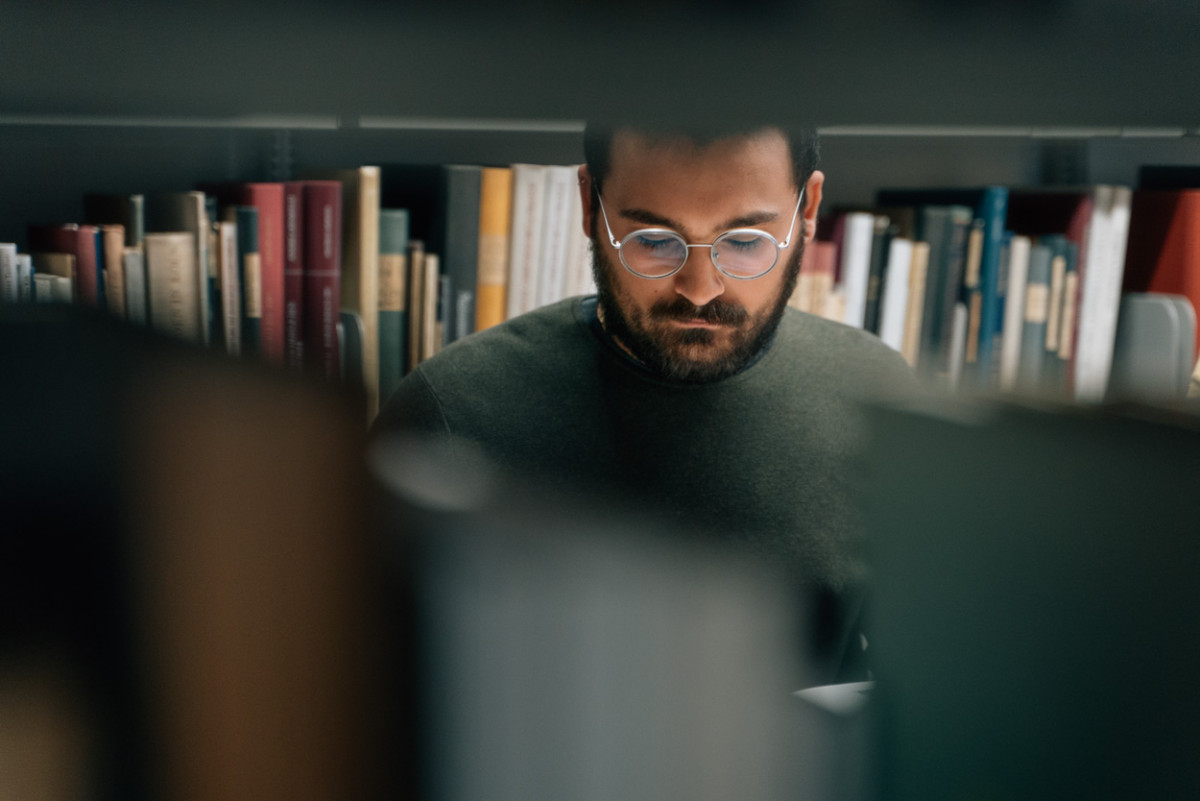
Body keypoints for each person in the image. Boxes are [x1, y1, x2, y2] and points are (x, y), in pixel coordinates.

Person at [372, 119, 917, 680]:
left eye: (746, 242)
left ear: (808, 211)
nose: (701, 288)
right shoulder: (448, 414)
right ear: (590, 204)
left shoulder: (878, 395)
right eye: (654, 241)